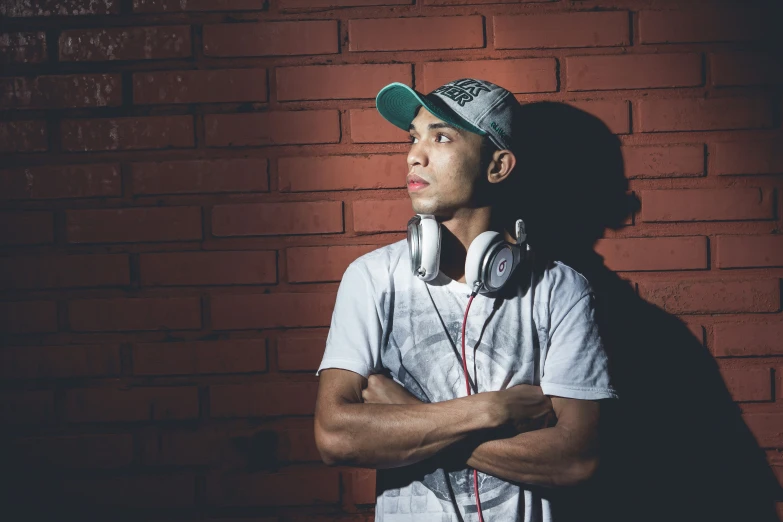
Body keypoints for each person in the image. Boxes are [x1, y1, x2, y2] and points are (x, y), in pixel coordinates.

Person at [313, 78, 617, 522]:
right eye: (413, 137)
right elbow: (334, 436)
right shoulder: (372, 278)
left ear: (497, 165)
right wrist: (491, 410)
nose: (415, 154)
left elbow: (577, 459)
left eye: (441, 136)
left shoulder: (560, 289)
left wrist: (409, 415)